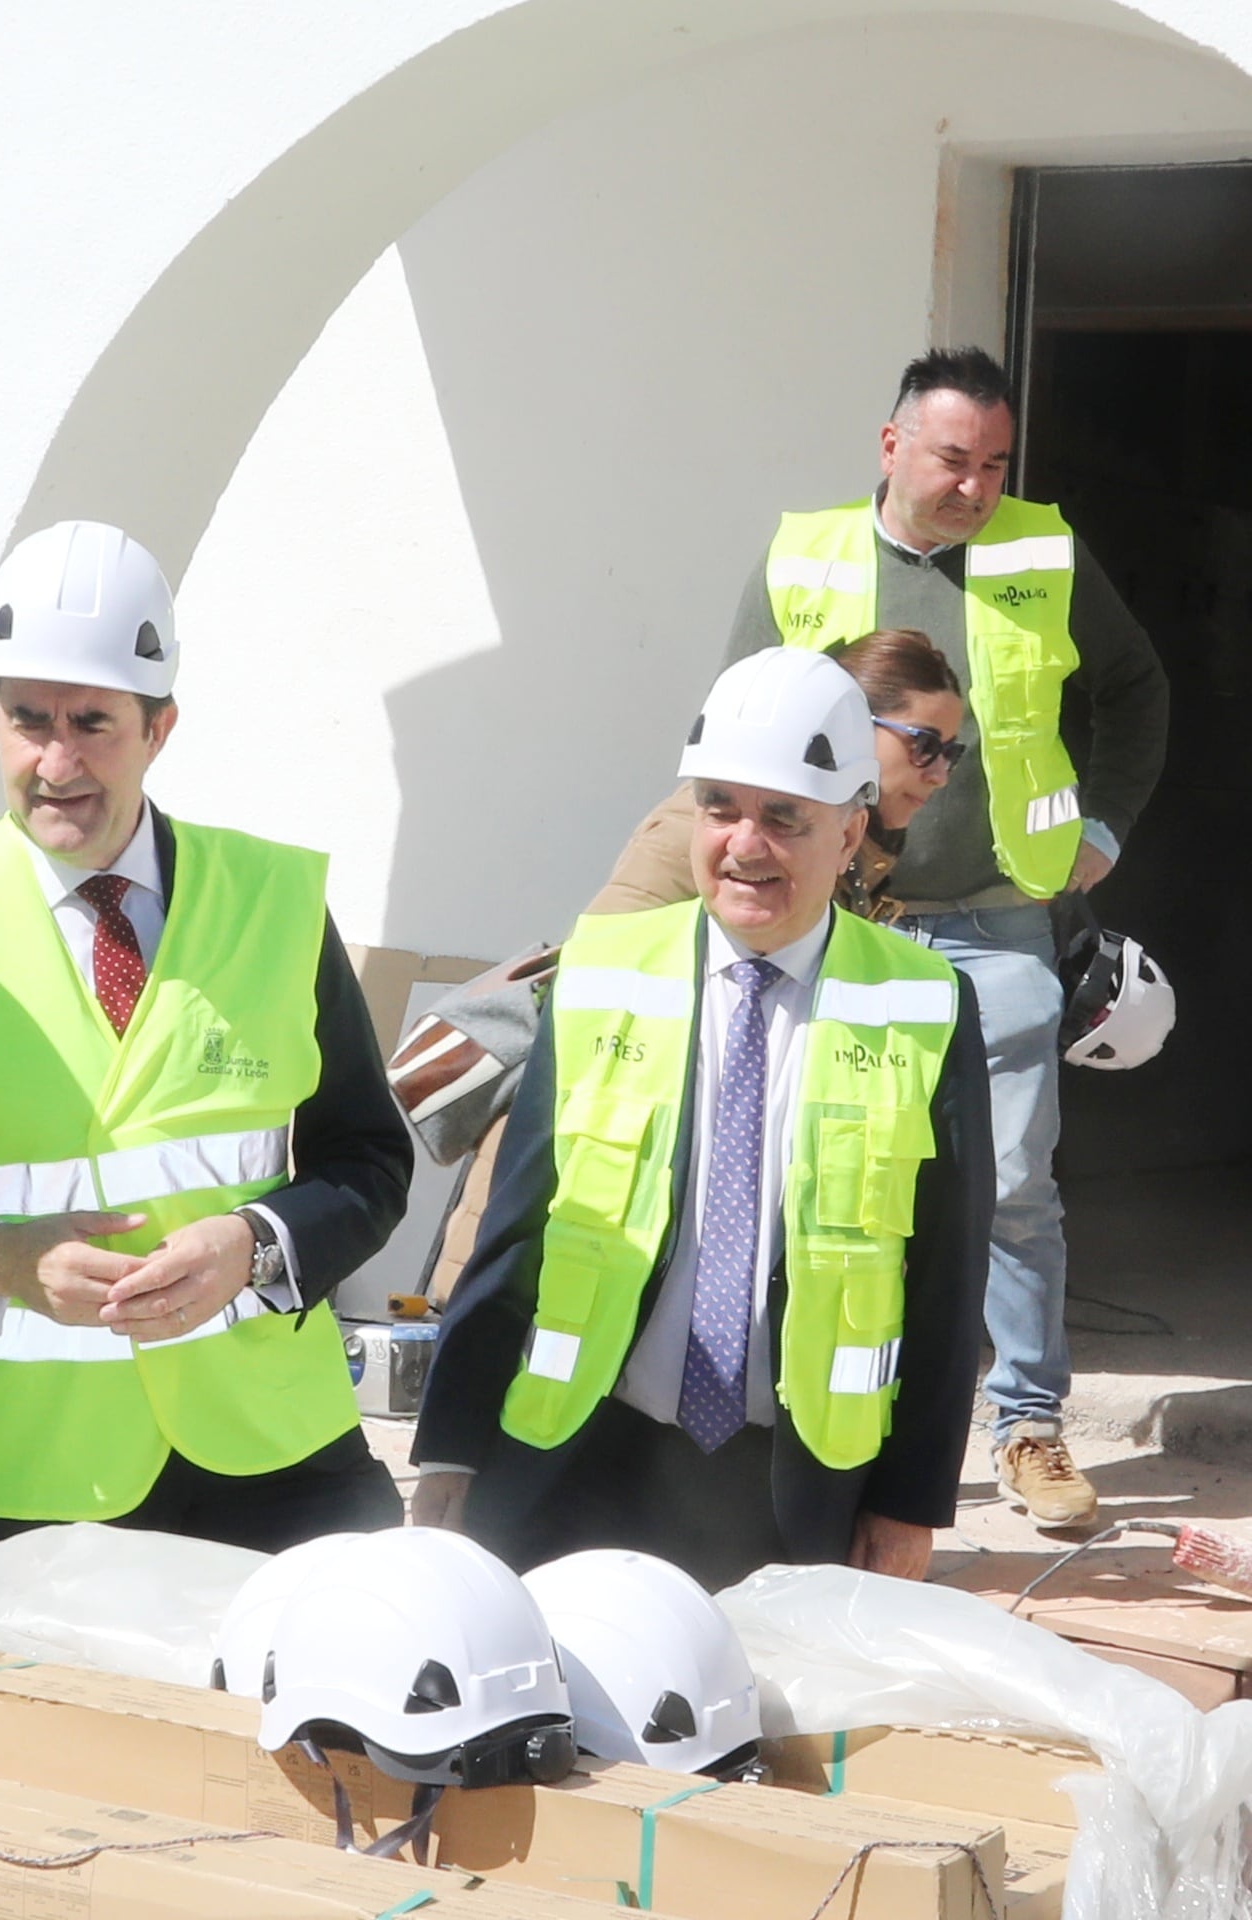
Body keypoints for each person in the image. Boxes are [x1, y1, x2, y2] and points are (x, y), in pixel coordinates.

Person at [0, 520, 412, 1545]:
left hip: (277, 1459)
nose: (57, 760)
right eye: (28, 720)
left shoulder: (273, 898)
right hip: (20, 1479)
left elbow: (366, 1158)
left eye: (92, 721)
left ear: (159, 726)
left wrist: (255, 1245)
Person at [410, 646, 991, 1586]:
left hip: (796, 1487)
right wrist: (450, 1453)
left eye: (784, 818)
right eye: (719, 807)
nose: (744, 844)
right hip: (580, 1456)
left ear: (850, 834)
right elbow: (515, 1236)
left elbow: (945, 1280)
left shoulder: (924, 1003)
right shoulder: (604, 971)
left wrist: (910, 1505)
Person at [727, 349, 1167, 1535]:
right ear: (890, 445)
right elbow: (739, 730)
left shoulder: (1040, 551)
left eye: (992, 463)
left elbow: (1135, 686)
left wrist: (1106, 826)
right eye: (950, 458)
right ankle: (798, 1403)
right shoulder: (804, 556)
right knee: (822, 1166)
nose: (973, 485)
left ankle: (1026, 1424)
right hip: (841, 920)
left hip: (997, 915)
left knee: (1014, 1180)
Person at [586, 629, 966, 919]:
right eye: (924, 745)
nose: (940, 775)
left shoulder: (864, 840)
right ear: (851, 724)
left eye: (950, 753)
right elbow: (598, 968)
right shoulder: (691, 829)